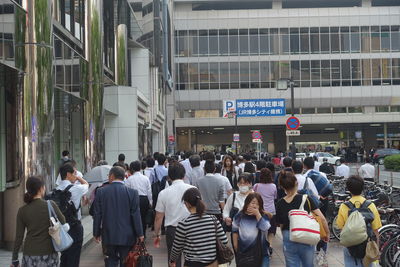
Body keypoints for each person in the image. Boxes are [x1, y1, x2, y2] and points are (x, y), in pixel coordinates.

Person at [276, 171, 330, 267]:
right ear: (296, 183)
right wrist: (327, 233)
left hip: (288, 235)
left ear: (282, 187)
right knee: (308, 264)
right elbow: (322, 218)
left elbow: (281, 225)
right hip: (306, 234)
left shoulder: (280, 203)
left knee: (292, 263)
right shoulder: (306, 199)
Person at [93, 166, 144, 267]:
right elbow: (136, 215)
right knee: (125, 260)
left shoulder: (101, 191)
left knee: (111, 260)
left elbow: (97, 214)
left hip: (108, 233)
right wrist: (140, 233)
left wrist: (96, 232)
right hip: (127, 234)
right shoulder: (133, 193)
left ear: (112, 176)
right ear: (124, 177)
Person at [11, 177, 67, 267]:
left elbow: (19, 237)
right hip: (49, 253)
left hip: (29, 254)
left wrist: (15, 258)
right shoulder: (50, 205)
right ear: (41, 189)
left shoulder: (22, 210)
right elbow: (63, 220)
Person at [169, 188, 228, 267]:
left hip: (192, 264)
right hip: (212, 263)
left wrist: (172, 261)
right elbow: (224, 240)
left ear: (187, 204)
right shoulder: (213, 219)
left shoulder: (184, 224)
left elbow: (176, 247)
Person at [154, 162, 195, 267]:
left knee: (173, 260)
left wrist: (157, 234)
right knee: (192, 258)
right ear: (184, 175)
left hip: (173, 230)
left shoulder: (164, 193)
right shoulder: (193, 190)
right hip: (191, 228)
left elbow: (159, 217)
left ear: (169, 176)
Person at [336, 175, 382, 267]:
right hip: (367, 243)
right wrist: (376, 246)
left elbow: (341, 228)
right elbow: (376, 229)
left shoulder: (344, 206)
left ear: (348, 189)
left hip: (350, 244)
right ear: (362, 188)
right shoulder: (370, 205)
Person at [57, 163, 89, 267]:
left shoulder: (55, 190)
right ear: (68, 174)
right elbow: (86, 185)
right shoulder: (76, 189)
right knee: (73, 258)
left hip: (61, 228)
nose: (75, 175)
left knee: (64, 256)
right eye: (73, 173)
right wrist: (79, 178)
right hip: (74, 227)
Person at [232, 193, 271, 267]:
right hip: (244, 252)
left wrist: (257, 214)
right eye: (253, 203)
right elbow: (234, 231)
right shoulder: (239, 215)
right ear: (247, 203)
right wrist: (235, 245)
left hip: (261, 252)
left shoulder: (263, 216)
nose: (254, 205)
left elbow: (265, 227)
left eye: (257, 204)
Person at [125, 161, 153, 237]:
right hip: (144, 199)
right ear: (140, 168)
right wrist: (150, 201)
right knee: (143, 218)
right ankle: (143, 234)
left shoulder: (129, 179)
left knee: (134, 217)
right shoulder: (145, 178)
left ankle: (136, 235)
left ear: (132, 169)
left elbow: (127, 191)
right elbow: (149, 191)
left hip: (134, 199)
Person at [253, 168, 277, 244]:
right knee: (271, 230)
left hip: (260, 211)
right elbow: (275, 197)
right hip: (271, 211)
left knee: (260, 229)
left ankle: (261, 245)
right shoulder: (273, 186)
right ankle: (270, 246)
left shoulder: (256, 186)